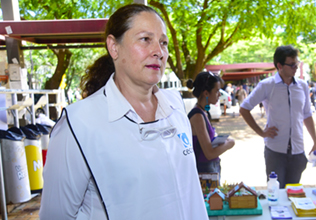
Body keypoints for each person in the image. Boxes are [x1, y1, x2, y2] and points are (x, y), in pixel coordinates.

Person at [39, 4, 208, 219]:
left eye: (163, 42)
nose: (159, 51)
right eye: (145, 39)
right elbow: (56, 216)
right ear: (114, 47)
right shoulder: (78, 124)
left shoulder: (175, 106)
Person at [239, 45, 316, 188]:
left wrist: (315, 141)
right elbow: (244, 108)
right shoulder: (267, 85)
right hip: (275, 152)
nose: (296, 67)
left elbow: (307, 114)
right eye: (292, 64)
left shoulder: (302, 86)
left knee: (293, 194)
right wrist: (261, 132)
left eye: (297, 63)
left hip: (298, 151)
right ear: (279, 66)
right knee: (275, 193)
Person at [187, 72, 235, 179]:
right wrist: (229, 143)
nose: (219, 94)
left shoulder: (203, 112)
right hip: (204, 171)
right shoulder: (197, 116)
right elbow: (209, 153)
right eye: (217, 91)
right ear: (206, 93)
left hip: (209, 169)